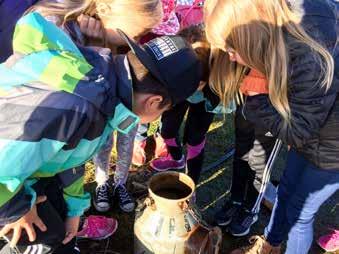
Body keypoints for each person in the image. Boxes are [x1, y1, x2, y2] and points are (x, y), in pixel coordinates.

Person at [0, 11, 202, 254]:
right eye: (164, 111)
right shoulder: (76, 108)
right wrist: (17, 209)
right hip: (7, 186)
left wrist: (74, 210)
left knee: (62, 229)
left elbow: (68, 158)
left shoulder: (105, 94)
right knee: (49, 237)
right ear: (153, 102)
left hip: (27, 171)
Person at [205, 0, 339, 253]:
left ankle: (277, 240)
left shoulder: (308, 58)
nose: (230, 57)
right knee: (286, 190)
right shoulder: (287, 31)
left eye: (232, 50)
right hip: (314, 134)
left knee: (301, 213)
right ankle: (271, 244)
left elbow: (298, 133)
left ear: (251, 38)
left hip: (331, 149)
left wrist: (258, 103)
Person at [150, 24, 235, 184]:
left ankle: (191, 182)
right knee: (167, 129)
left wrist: (205, 89)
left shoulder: (215, 80)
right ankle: (176, 158)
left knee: (195, 137)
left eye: (194, 84)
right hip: (177, 94)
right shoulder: (175, 71)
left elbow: (215, 96)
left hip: (204, 99)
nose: (189, 88)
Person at [214, 68, 281, 237]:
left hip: (273, 107)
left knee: (259, 163)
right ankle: (235, 199)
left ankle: (251, 209)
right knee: (241, 155)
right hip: (247, 99)